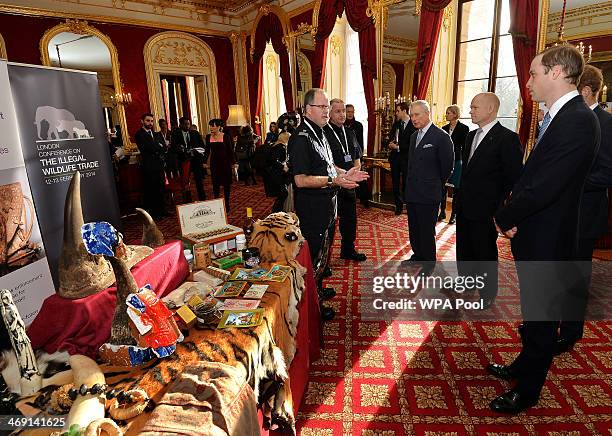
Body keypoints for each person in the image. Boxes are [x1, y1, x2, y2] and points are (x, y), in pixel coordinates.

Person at [490, 45, 600, 414]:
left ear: (556, 73)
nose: (528, 81)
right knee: (534, 313)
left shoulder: (577, 120)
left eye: (534, 73)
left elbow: (546, 185)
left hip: (549, 239)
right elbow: (533, 177)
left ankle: (528, 389)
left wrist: (504, 217)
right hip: (537, 232)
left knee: (542, 317)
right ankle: (524, 366)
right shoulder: (560, 116)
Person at [288, 88, 368, 321]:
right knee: (312, 258)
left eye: (327, 107)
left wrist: (346, 173)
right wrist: (334, 180)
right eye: (322, 107)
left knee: (323, 255)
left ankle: (319, 289)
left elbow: (328, 167)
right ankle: (313, 307)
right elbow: (301, 180)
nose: (326, 111)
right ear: (307, 109)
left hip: (328, 206)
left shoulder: (320, 132)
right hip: (312, 210)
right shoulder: (301, 138)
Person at [556, 65, 612, 354]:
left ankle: (570, 331)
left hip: (585, 213)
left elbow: (607, 172)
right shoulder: (572, 118)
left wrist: (569, 182)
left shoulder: (605, 122)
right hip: (564, 213)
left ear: (586, 91)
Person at [455, 93, 523, 307]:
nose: (470, 111)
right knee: (464, 249)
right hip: (465, 205)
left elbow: (514, 178)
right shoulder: (470, 136)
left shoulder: (507, 138)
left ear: (491, 108)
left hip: (487, 209)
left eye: (475, 107)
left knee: (484, 251)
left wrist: (501, 209)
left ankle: (487, 293)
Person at [403, 100, 454, 270]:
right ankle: (417, 255)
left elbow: (447, 167)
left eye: (417, 114)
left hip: (429, 193)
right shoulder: (413, 136)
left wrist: (433, 184)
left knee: (426, 231)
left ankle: (428, 263)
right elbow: (410, 164)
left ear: (427, 114)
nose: (413, 119)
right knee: (414, 228)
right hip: (412, 192)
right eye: (411, 115)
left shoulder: (441, 137)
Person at [324, 98, 366, 262]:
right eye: (338, 111)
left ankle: (348, 250)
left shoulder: (350, 131)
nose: (342, 115)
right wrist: (342, 176)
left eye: (343, 111)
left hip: (350, 184)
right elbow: (326, 162)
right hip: (332, 184)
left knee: (350, 221)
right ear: (329, 112)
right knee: (329, 224)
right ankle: (324, 261)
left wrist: (356, 175)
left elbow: (356, 156)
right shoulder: (324, 133)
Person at [440, 105, 469, 224]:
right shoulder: (443, 128)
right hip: (445, 162)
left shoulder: (464, 128)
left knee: (457, 190)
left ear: (455, 114)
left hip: (458, 162)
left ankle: (453, 215)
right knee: (443, 189)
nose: (446, 115)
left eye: (448, 113)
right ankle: (441, 212)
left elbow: (465, 148)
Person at [135, 113, 167, 219]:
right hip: (148, 167)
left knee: (161, 188)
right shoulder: (139, 134)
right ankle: (155, 213)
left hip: (159, 165)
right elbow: (148, 148)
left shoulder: (155, 134)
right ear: (142, 121)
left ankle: (163, 211)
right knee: (152, 190)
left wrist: (158, 146)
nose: (150, 123)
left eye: (152, 121)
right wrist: (158, 146)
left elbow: (164, 147)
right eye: (148, 121)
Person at [170, 117, 208, 201]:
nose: (187, 126)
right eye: (185, 124)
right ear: (181, 125)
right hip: (183, 161)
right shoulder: (175, 134)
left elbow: (202, 146)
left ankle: (202, 198)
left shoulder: (195, 133)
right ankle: (187, 200)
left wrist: (196, 152)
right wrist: (180, 149)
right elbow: (173, 148)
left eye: (188, 124)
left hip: (196, 160)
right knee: (185, 182)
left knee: (199, 181)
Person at [388, 102, 416, 215]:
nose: (396, 113)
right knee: (395, 183)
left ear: (404, 111)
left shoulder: (413, 124)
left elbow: (412, 144)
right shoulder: (396, 124)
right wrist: (391, 143)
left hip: (407, 159)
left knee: (406, 183)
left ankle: (408, 204)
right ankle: (398, 206)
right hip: (395, 159)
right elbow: (391, 136)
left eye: (398, 111)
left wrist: (398, 147)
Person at [205, 119, 235, 212]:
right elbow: (207, 151)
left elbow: (230, 151)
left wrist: (234, 163)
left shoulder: (225, 136)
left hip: (225, 163)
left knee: (226, 185)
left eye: (213, 126)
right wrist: (204, 162)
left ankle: (227, 204)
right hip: (214, 163)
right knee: (215, 185)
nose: (211, 128)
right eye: (210, 125)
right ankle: (217, 204)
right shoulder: (208, 137)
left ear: (219, 127)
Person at [345, 104, 370, 207]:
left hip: (356, 155)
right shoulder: (342, 125)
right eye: (348, 112)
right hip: (345, 156)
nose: (350, 114)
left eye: (352, 112)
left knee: (361, 176)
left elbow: (360, 142)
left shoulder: (358, 125)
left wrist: (361, 156)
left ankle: (364, 200)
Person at [264, 132, 291, 212]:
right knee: (283, 193)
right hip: (277, 174)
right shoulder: (280, 147)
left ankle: (277, 212)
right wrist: (283, 166)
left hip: (274, 173)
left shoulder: (275, 145)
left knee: (282, 194)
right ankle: (276, 212)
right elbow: (274, 160)